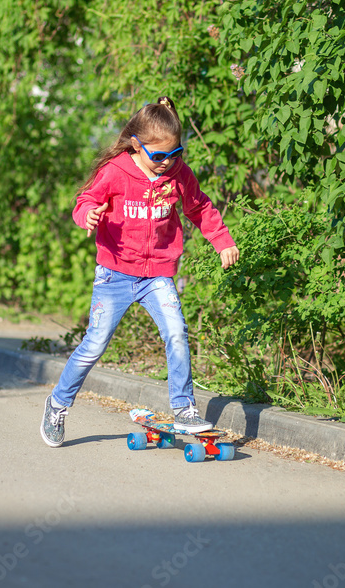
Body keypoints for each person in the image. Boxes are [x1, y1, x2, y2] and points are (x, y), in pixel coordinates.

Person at [40, 96, 240, 447]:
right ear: (137, 144)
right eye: (158, 156)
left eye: (174, 154)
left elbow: (201, 208)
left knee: (177, 333)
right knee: (94, 344)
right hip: (113, 276)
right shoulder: (116, 171)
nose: (166, 163)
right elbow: (85, 199)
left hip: (157, 275)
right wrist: (85, 214)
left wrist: (222, 241)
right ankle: (58, 404)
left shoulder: (178, 175)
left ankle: (184, 409)